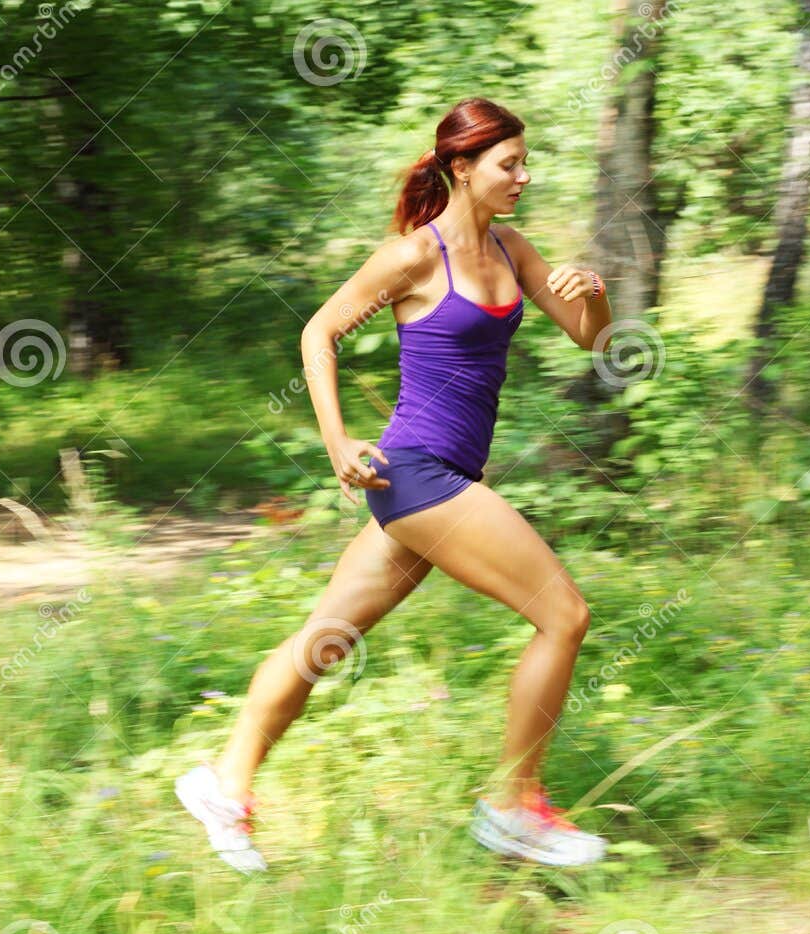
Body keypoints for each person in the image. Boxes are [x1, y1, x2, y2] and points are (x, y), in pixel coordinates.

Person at [176, 98, 613, 873]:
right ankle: (515, 805)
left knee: (323, 641)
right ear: (462, 168)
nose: (523, 175)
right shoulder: (413, 257)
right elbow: (320, 331)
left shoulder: (512, 249)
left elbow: (591, 340)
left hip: (434, 481)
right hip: (417, 474)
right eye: (508, 163)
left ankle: (225, 783)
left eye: (523, 161)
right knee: (565, 616)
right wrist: (337, 438)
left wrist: (594, 294)